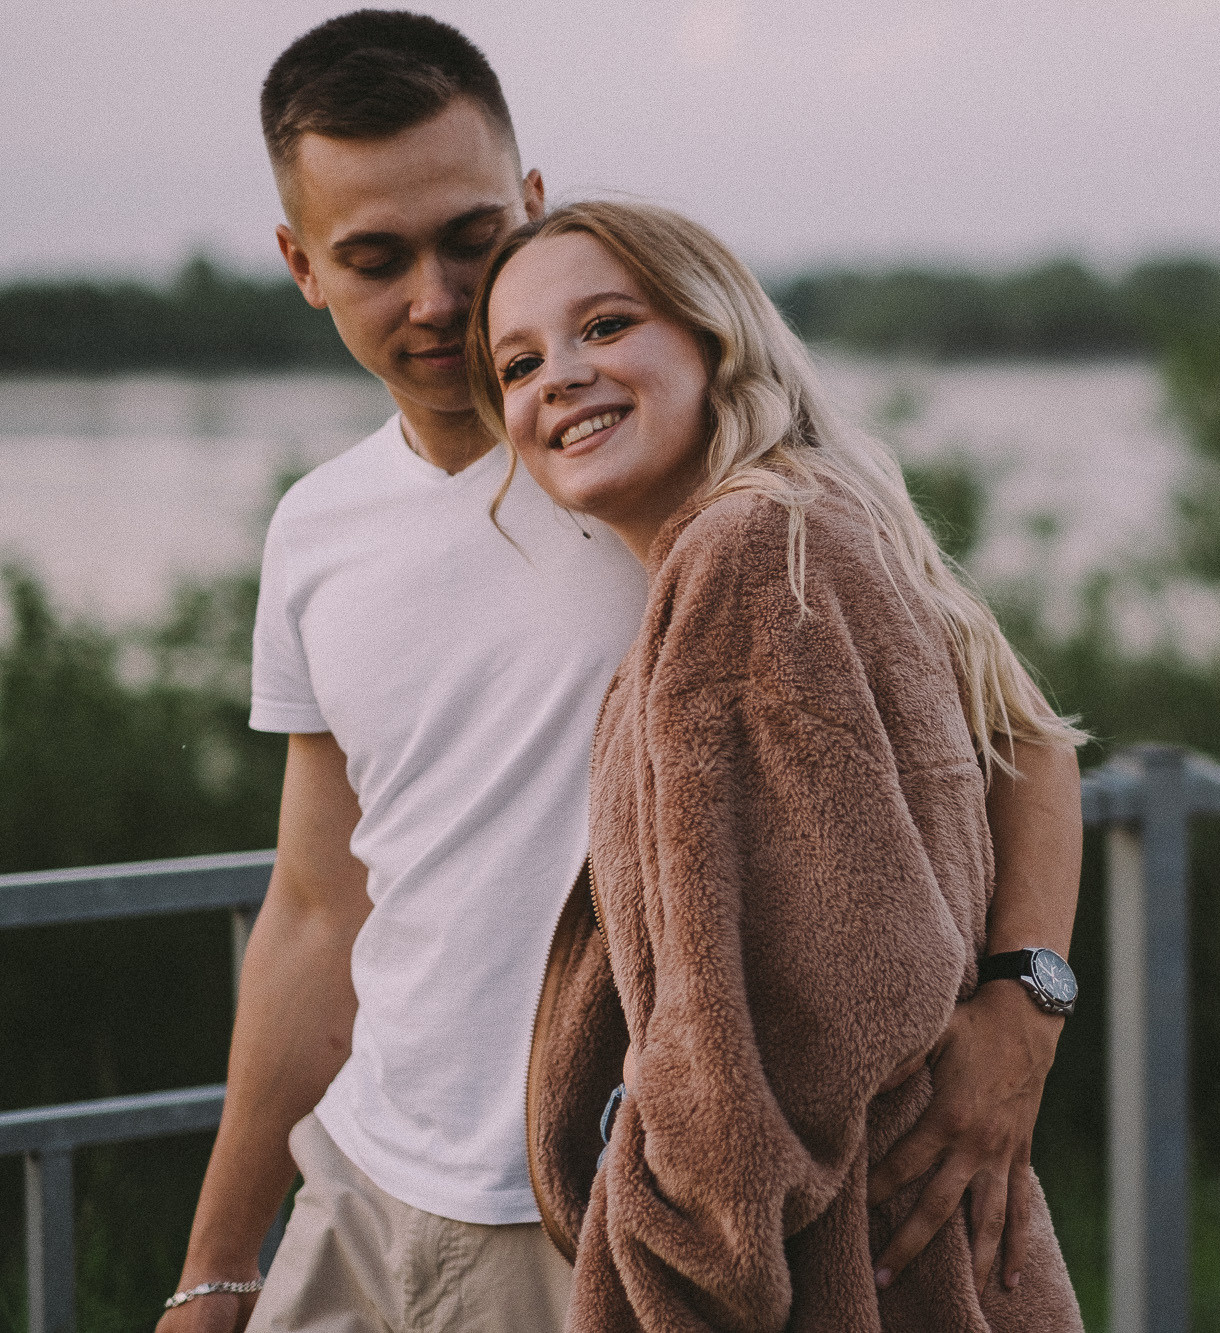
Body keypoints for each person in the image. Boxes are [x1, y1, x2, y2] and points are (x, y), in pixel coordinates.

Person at [161, 13, 1082, 1333]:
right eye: (373, 257)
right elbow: (317, 906)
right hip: (359, 1193)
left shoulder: (683, 479)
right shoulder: (316, 528)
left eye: (470, 240)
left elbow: (1019, 742)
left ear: (530, 205)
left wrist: (1023, 1011)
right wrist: (217, 1260)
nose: (433, 297)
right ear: (302, 265)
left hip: (594, 1214)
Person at [470, 198, 1087, 1332]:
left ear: (711, 333)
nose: (556, 376)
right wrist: (1022, 997)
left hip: (829, 1277)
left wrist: (663, 1259)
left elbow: (787, 1034)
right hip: (932, 1264)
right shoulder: (819, 522)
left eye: (604, 326)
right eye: (518, 362)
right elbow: (1022, 738)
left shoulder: (746, 560)